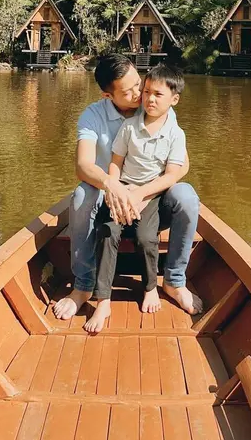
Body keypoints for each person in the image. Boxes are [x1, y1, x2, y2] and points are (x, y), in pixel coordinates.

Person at [52, 53, 202, 320]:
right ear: (108, 96)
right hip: (107, 202)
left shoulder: (156, 105)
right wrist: (112, 185)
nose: (139, 95)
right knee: (81, 195)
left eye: (138, 84)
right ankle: (83, 287)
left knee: (187, 196)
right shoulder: (93, 115)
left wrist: (141, 193)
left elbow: (182, 167)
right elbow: (83, 165)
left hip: (151, 200)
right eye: (129, 90)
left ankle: (174, 281)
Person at [84, 64, 187, 333]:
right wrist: (117, 191)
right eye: (147, 92)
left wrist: (142, 195)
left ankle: (151, 286)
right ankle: (102, 299)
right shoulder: (129, 127)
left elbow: (174, 173)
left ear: (173, 100)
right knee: (107, 232)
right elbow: (115, 162)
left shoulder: (175, 132)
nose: (149, 98)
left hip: (151, 194)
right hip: (123, 191)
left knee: (145, 237)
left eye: (156, 94)